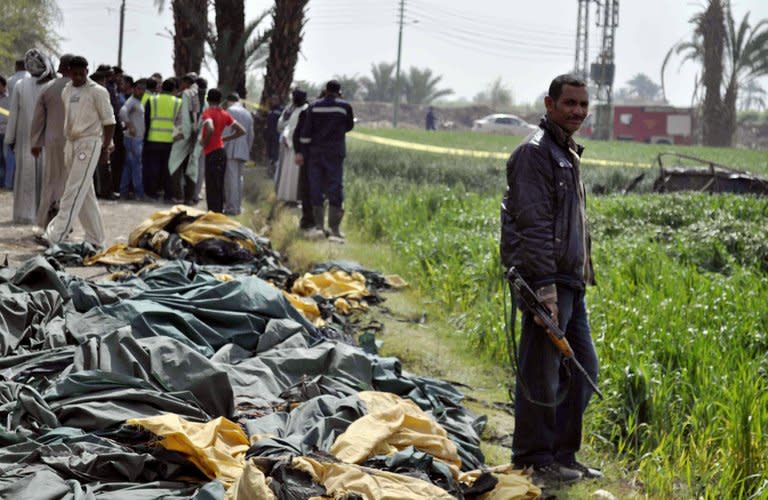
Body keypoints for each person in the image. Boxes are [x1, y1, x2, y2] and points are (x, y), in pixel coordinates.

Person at [500, 74, 600, 488]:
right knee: (542, 371)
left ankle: (563, 454)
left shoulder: (565, 152)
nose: (577, 111)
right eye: (569, 103)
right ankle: (534, 456)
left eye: (583, 104)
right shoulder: (535, 154)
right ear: (549, 103)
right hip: (548, 280)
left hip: (570, 280)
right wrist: (544, 291)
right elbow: (535, 224)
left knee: (582, 368)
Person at [44, 56, 115, 249]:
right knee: (85, 192)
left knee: (72, 190)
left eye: (81, 73)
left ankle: (56, 235)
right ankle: (96, 238)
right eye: (74, 73)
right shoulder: (67, 90)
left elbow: (109, 122)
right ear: (69, 71)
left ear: (86, 70)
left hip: (89, 143)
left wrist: (106, 148)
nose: (78, 76)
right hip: (71, 142)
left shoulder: (98, 92)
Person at [297, 80, 354, 243]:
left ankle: (320, 227)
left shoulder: (314, 106)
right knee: (335, 186)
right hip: (335, 153)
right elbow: (349, 126)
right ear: (339, 91)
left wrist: (303, 151)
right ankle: (335, 229)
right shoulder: (345, 107)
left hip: (316, 153)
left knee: (316, 187)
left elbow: (306, 131)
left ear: (326, 90)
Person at [5, 48, 55, 224]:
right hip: (45, 139)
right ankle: (42, 215)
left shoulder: (21, 85)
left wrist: (10, 139)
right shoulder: (51, 85)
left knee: (26, 175)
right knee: (43, 175)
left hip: (25, 138)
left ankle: (24, 214)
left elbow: (13, 115)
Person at [30, 53, 74, 229]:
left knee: (51, 181)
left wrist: (35, 143)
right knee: (69, 182)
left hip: (52, 140)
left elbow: (38, 120)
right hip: (73, 140)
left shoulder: (48, 88)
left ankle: (43, 223)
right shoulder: (79, 88)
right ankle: (64, 224)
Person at [199, 88, 245, 213]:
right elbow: (241, 130)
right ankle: (218, 213)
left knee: (211, 185)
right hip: (221, 151)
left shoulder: (207, 113)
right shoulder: (225, 114)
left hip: (212, 153)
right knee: (219, 185)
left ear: (208, 100)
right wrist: (224, 138)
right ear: (220, 101)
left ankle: (212, 213)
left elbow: (210, 128)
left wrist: (205, 142)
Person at [143, 78, 180, 201]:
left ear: (162, 87)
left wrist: (145, 139)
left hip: (152, 139)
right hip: (170, 141)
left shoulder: (151, 100)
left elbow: (146, 121)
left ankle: (152, 193)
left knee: (153, 168)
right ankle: (168, 195)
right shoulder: (178, 102)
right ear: (174, 89)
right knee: (167, 169)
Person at [167, 73, 200, 204]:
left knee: (173, 164)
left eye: (182, 83)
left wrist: (185, 134)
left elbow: (188, 116)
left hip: (184, 134)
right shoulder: (198, 93)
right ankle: (189, 197)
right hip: (194, 134)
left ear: (186, 82)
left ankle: (179, 196)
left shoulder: (187, 94)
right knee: (191, 166)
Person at [222, 92, 254, 215]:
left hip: (231, 149)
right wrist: (248, 149)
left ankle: (232, 208)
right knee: (239, 179)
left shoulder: (229, 111)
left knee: (230, 180)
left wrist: (222, 148)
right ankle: (238, 207)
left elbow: (226, 132)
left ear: (228, 100)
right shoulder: (247, 113)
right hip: (243, 149)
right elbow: (251, 134)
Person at [275, 89, 308, 204]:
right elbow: (288, 126)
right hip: (290, 145)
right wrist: (285, 137)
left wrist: (288, 138)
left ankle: (294, 199)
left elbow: (296, 129)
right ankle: (288, 197)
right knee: (288, 173)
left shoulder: (305, 110)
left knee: (295, 174)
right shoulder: (293, 110)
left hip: (297, 147)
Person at [118, 78, 146, 200]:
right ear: (134, 89)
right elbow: (122, 112)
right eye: (139, 89)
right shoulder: (132, 101)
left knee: (129, 166)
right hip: (133, 139)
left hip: (135, 139)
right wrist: (130, 126)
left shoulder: (137, 102)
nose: (141, 91)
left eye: (143, 89)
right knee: (136, 166)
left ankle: (123, 192)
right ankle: (139, 193)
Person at [264, 94, 282, 178]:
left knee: (276, 154)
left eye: (275, 99)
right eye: (272, 99)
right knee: (269, 154)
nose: (273, 101)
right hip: (269, 136)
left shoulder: (281, 110)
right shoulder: (270, 110)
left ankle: (275, 172)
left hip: (277, 136)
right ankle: (270, 171)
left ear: (279, 100)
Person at [0, 76, 9, 189]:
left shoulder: (9, 98)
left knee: (4, 157)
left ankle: (4, 182)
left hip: (5, 131)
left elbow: (10, 114)